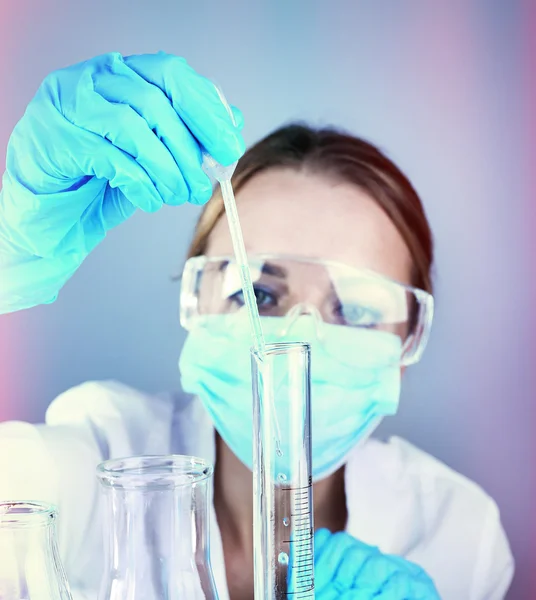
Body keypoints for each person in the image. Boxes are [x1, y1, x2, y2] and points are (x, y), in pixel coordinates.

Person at [0, 52, 514, 600]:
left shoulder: (455, 535)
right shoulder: (101, 466)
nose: (301, 336)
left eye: (356, 309)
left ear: (407, 339)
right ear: (197, 304)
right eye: (260, 294)